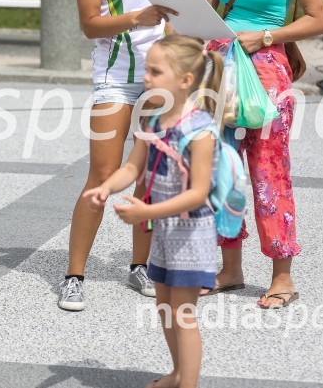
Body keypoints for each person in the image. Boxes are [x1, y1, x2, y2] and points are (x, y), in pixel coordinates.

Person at [192, 0, 323, 309]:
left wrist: (267, 36)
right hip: (220, 67)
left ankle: (282, 276)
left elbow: (319, 18)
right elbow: (207, 9)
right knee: (222, 169)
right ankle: (230, 269)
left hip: (266, 70)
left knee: (268, 170)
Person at [59, 0, 178, 311]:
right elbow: (89, 26)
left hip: (157, 78)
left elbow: (169, 12)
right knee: (102, 177)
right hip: (114, 78)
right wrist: (135, 19)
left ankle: (139, 266)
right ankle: (74, 275)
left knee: (148, 175)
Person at [84, 35, 223, 388]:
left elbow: (198, 193)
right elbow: (133, 168)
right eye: (147, 69)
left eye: (155, 71)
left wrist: (148, 211)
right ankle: (176, 372)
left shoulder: (200, 129)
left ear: (185, 81)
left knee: (183, 314)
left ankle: (187, 383)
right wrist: (105, 186)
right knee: (164, 306)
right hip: (163, 231)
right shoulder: (152, 122)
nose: (146, 77)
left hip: (192, 235)